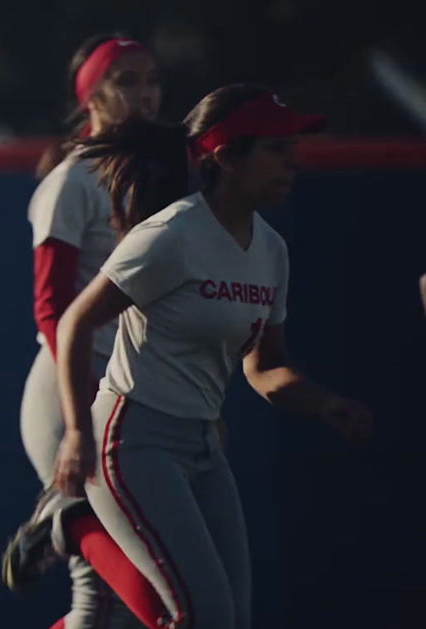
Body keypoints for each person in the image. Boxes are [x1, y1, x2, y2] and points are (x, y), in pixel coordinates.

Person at [54, 85, 373, 629]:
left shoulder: (271, 250)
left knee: (230, 619)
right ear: (225, 156)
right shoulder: (172, 234)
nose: (293, 160)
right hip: (133, 441)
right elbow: (74, 322)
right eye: (277, 148)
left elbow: (263, 367)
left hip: (202, 445)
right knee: (206, 616)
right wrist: (78, 433)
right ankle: (66, 518)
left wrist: (324, 404)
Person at [3, 36, 168, 629]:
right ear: (91, 95)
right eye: (127, 81)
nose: (145, 94)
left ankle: (59, 521)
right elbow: (51, 307)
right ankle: (60, 518)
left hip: (129, 389)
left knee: (111, 611)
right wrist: (83, 404)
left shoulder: (160, 175)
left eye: (151, 80)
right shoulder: (72, 181)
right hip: (69, 390)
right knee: (130, 595)